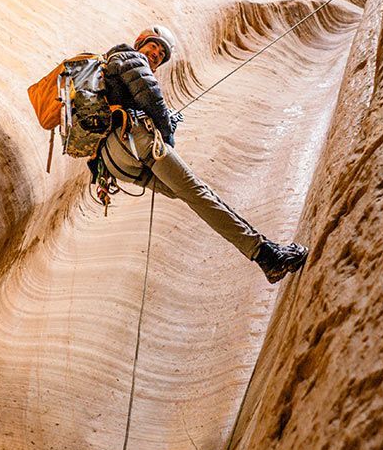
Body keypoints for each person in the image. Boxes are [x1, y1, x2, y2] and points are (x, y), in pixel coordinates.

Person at [96, 26, 308, 284]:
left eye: (161, 53)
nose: (156, 54)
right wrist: (167, 135)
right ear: (140, 42)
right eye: (154, 46)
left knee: (183, 191)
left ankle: (265, 253)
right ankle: (268, 256)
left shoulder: (110, 65)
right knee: (198, 193)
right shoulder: (130, 57)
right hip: (135, 140)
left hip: (114, 162)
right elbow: (152, 100)